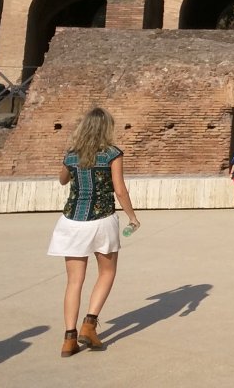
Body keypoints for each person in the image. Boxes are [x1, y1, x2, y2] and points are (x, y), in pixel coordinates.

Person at [46, 107, 140, 355]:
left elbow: (62, 180)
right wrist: (132, 217)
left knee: (74, 281)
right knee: (107, 272)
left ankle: (69, 338)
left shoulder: (71, 154)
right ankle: (89, 324)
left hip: (72, 221)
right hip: (101, 219)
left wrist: (71, 161)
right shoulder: (112, 154)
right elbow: (120, 190)